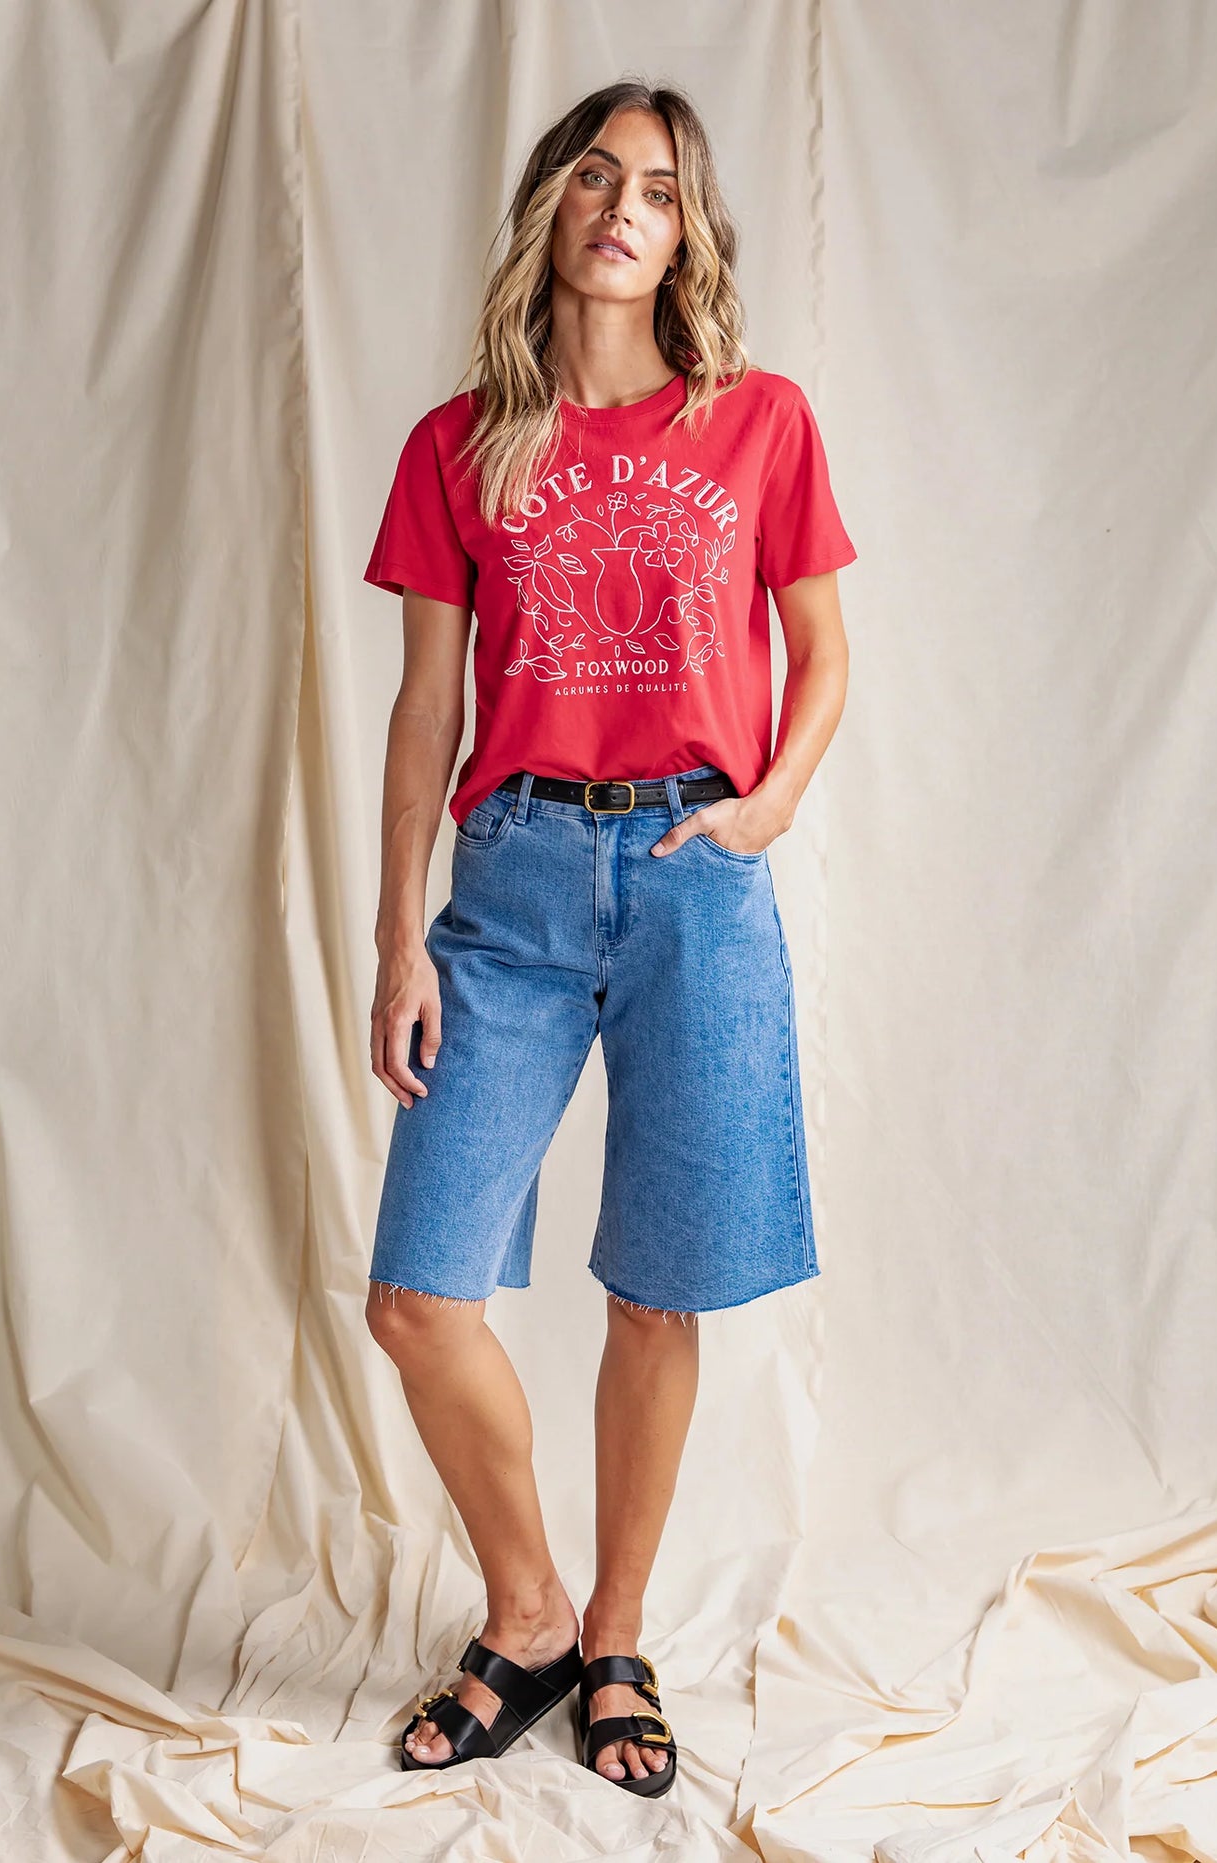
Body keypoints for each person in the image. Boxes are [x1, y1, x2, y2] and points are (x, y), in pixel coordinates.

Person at [360, 78, 856, 1798]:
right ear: (550, 214)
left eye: (655, 184)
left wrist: (774, 801)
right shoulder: (456, 445)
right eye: (592, 175)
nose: (621, 205)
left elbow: (822, 648)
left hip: (695, 876)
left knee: (656, 1286)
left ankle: (617, 1636)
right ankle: (528, 1616)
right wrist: (392, 940)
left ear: (685, 229)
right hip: (506, 883)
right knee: (419, 1296)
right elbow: (427, 709)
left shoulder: (759, 425)